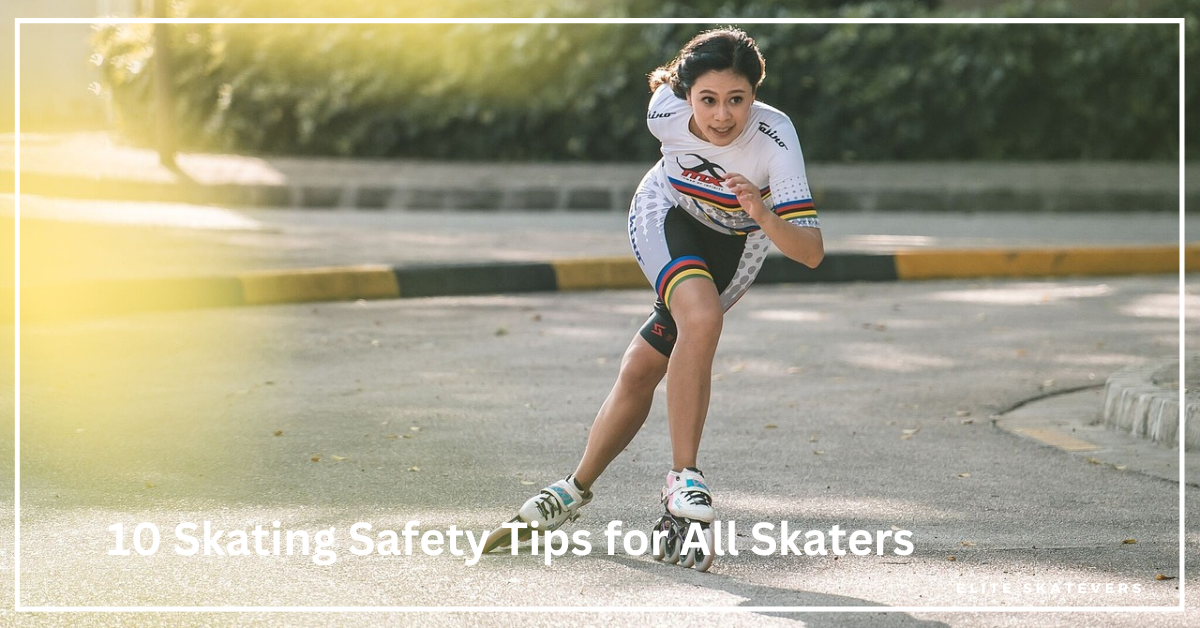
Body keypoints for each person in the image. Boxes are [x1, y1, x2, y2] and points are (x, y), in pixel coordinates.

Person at [495, 27, 824, 562]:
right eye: (709, 100)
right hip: (665, 213)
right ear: (686, 95)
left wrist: (762, 211)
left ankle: (572, 490)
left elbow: (810, 250)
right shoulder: (662, 110)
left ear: (755, 97)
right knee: (701, 317)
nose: (722, 117)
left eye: (737, 101)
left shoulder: (776, 139)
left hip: (738, 240)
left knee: (644, 367)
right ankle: (683, 480)